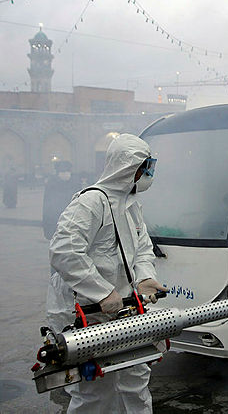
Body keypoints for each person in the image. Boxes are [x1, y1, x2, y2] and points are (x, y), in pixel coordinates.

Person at [47, 133, 167, 413]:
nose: (148, 174)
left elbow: (142, 249)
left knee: (135, 382)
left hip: (124, 313)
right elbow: (64, 251)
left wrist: (144, 277)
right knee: (94, 391)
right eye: (144, 167)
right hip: (87, 315)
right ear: (128, 168)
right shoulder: (91, 203)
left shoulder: (131, 205)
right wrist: (102, 292)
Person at [42, 160, 79, 240]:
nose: (65, 174)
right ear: (58, 173)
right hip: (56, 215)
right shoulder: (51, 183)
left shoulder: (75, 182)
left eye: (67, 171)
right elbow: (47, 204)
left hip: (72, 216)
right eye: (62, 172)